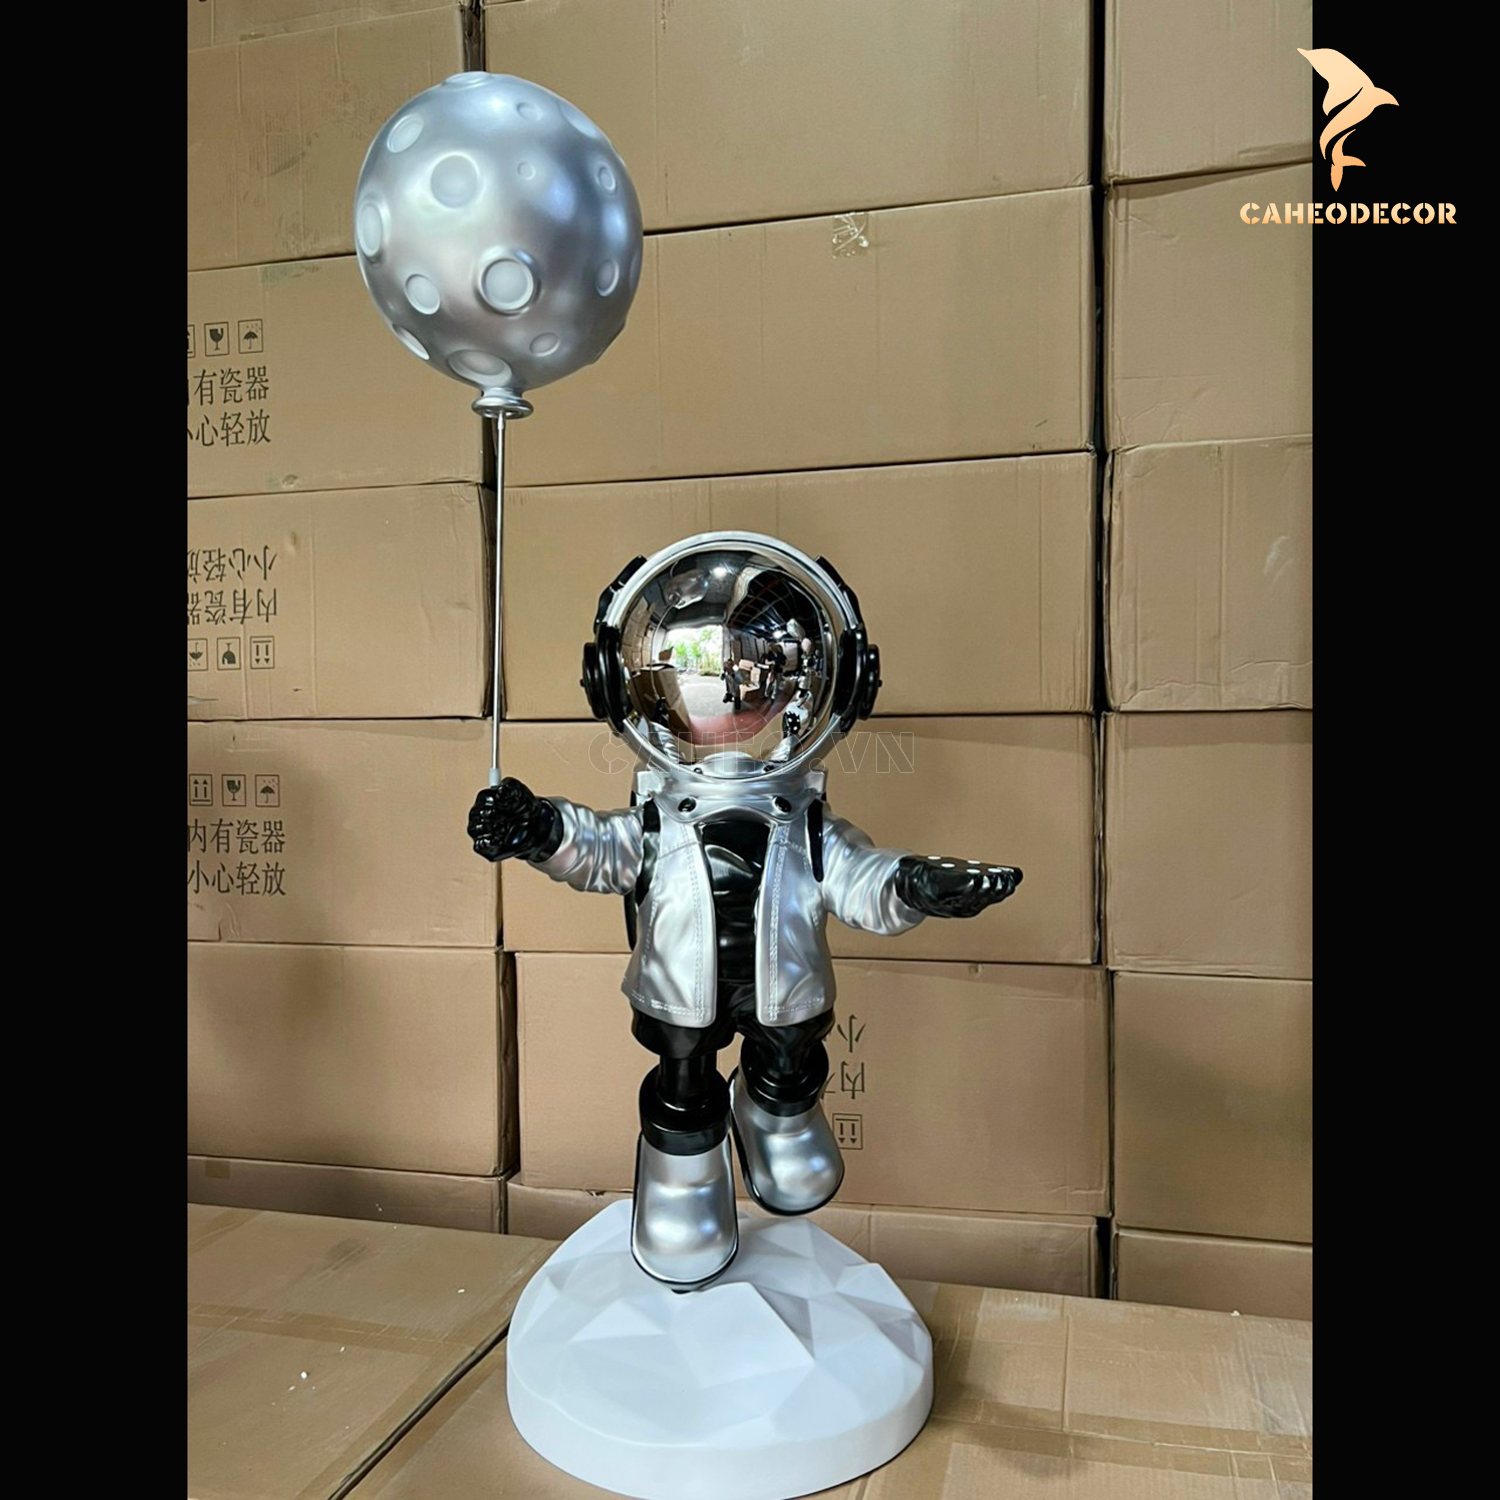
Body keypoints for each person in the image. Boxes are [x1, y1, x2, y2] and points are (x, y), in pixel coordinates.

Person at [467, 534, 1022, 1290]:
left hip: (787, 993)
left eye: (751, 672)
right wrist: (537, 829)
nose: (726, 695)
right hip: (679, 992)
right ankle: (684, 1175)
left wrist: (914, 885)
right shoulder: (657, 821)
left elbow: (859, 880)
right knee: (683, 1079)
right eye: (696, 670)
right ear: (624, 687)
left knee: (789, 1057)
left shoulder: (808, 823)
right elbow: (597, 849)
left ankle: (776, 1111)